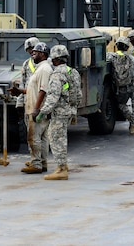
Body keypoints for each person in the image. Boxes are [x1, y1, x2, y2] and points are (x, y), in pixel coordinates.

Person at [36, 45, 74, 180]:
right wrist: (73, 110)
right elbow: (78, 94)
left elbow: (53, 96)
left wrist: (42, 112)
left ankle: (61, 169)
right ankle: (63, 166)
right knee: (62, 138)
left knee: (56, 139)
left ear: (56, 59)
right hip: (68, 111)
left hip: (58, 112)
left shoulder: (57, 74)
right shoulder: (72, 72)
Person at [13, 42, 52, 174]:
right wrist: (20, 91)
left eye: (35, 52)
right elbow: (34, 89)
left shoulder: (44, 69)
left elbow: (43, 90)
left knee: (34, 137)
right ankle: (42, 163)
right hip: (36, 107)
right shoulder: (39, 68)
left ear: (42, 54)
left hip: (37, 109)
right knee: (42, 138)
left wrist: (36, 109)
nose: (32, 53)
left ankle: (36, 164)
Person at [106, 36, 134, 134]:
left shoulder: (111, 56)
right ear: (127, 47)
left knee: (121, 104)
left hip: (121, 87)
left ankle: (129, 116)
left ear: (116, 46)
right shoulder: (132, 58)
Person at [13, 37, 40, 119]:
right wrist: (20, 104)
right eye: (29, 49)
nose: (31, 51)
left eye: (33, 48)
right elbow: (22, 83)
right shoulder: (26, 64)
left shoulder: (48, 63)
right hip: (29, 101)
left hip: (42, 101)